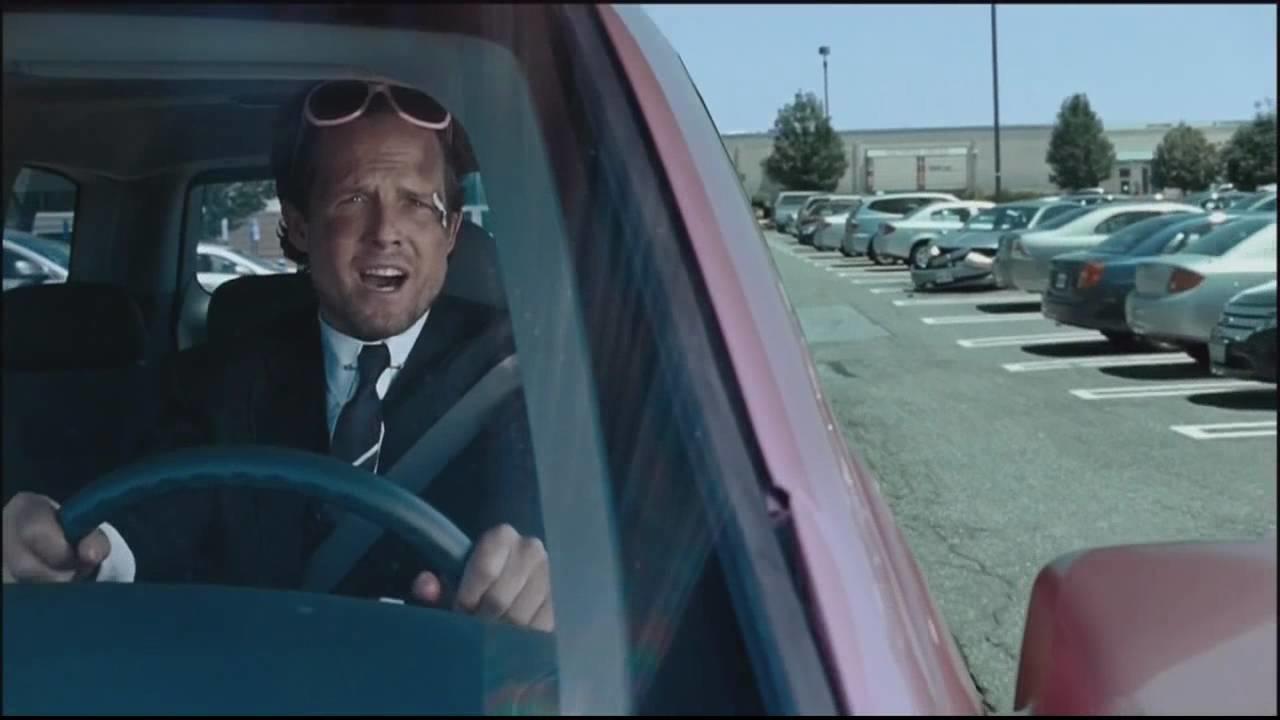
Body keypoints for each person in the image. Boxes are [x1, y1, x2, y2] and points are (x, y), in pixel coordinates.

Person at [1, 80, 553, 632]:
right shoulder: (221, 377)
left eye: (416, 203)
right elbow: (156, 518)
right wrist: (75, 552)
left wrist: (542, 585)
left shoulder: (524, 375)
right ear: (300, 226)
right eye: (353, 199)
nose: (386, 232)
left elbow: (550, 520)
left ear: (450, 230)